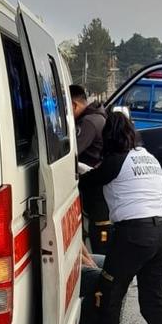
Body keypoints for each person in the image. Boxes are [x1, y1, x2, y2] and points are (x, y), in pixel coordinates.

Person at [74, 111, 162, 324]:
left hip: (134, 236)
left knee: (111, 292)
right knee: (155, 297)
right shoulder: (148, 158)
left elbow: (87, 183)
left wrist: (79, 170)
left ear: (110, 137)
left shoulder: (115, 161)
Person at [69, 84, 112, 254]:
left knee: (96, 229)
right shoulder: (98, 116)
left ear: (73, 105)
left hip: (92, 184)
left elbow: (72, 153)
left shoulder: (88, 122)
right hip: (99, 183)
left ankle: (97, 265)